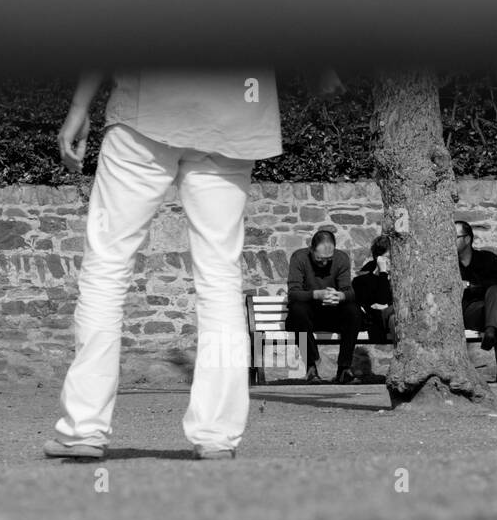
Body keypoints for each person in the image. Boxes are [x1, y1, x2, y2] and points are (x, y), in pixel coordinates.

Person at [44, 68, 342, 461]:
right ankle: (216, 434)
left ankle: (83, 429)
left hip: (147, 109)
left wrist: (80, 105)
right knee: (220, 278)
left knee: (107, 268)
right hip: (234, 118)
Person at [286, 229, 362, 384]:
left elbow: (350, 292)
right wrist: (316, 294)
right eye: (320, 259)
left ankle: (344, 369)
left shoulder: (341, 259)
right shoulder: (299, 258)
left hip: (332, 313)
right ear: (311, 249)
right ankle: (311, 367)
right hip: (308, 315)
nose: (324, 263)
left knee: (353, 311)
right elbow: (293, 293)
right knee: (297, 309)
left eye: (329, 259)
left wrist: (339, 296)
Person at [455, 220, 497, 387]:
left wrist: (470, 286)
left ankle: (492, 331)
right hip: (470, 312)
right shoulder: (448, 265)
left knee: (496, 293)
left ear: (467, 239)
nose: (451, 241)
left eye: (455, 237)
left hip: (492, 307)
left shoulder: (487, 259)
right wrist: (479, 288)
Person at [352, 234, 394, 342]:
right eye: (388, 257)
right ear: (378, 258)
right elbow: (379, 301)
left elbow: (384, 303)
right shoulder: (362, 280)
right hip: (375, 323)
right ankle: (303, 357)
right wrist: (383, 271)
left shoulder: (399, 279)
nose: (391, 261)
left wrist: (386, 306)